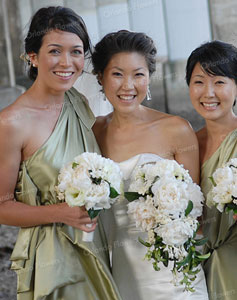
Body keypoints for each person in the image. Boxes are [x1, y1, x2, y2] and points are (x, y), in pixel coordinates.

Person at [0, 6, 121, 300]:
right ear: (32, 56)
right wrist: (61, 213)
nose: (67, 62)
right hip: (54, 259)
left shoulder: (77, 100)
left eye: (76, 52)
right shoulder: (11, 123)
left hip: (99, 241)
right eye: (55, 51)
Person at [92, 30, 208, 300]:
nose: (128, 86)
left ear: (149, 77)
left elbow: (198, 211)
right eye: (117, 74)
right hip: (121, 272)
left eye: (138, 74)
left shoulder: (176, 129)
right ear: (101, 77)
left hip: (175, 277)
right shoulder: (94, 131)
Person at [186, 40, 237, 300]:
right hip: (196, 270)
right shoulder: (186, 144)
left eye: (219, 82)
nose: (208, 93)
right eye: (199, 82)